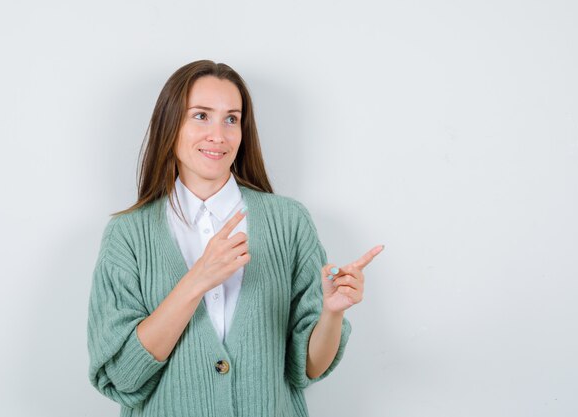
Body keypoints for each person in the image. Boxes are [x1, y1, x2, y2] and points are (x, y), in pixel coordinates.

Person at [86, 59, 384, 417]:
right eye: (201, 116)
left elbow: (309, 369)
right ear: (170, 124)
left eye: (231, 118)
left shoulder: (288, 221)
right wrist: (196, 280)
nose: (219, 135)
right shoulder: (128, 234)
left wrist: (331, 314)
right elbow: (121, 377)